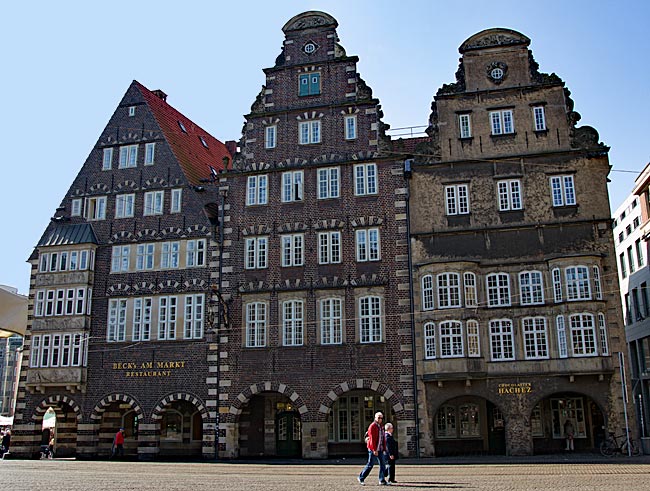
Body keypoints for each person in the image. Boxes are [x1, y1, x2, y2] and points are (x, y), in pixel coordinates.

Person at [358, 412, 388, 486]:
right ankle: (361, 477)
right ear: (375, 418)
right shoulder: (372, 426)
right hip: (373, 449)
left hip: (380, 448)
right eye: (379, 418)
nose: (380, 419)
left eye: (381, 418)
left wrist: (384, 449)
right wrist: (374, 450)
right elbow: (372, 439)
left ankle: (382, 480)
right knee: (370, 464)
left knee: (383, 464)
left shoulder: (381, 426)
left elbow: (383, 438)